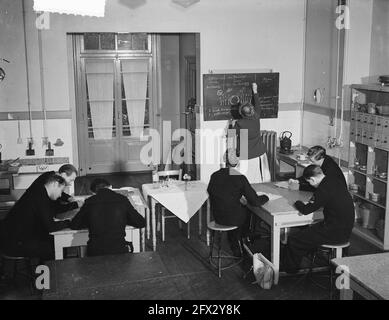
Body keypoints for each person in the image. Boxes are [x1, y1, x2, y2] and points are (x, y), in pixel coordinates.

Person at [282, 165, 355, 273]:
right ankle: (304, 258)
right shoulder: (333, 180)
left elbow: (306, 210)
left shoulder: (323, 189)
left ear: (312, 179)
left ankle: (289, 272)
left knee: (294, 239)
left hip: (334, 232)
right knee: (307, 231)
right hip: (346, 229)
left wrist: (296, 202)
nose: (310, 185)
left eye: (309, 182)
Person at [207, 149, 269, 257]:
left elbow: (212, 191)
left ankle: (235, 242)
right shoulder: (240, 178)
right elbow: (256, 202)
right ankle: (245, 242)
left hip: (218, 217)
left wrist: (233, 198)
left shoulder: (214, 175)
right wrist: (266, 197)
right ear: (238, 162)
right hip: (233, 219)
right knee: (249, 210)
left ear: (223, 160)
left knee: (236, 208)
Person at [1, 174, 71, 261]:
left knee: (52, 242)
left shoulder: (39, 192)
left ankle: (44, 272)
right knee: (54, 247)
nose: (60, 195)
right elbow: (51, 227)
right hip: (14, 243)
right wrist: (69, 222)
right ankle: (48, 273)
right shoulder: (40, 197)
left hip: (13, 238)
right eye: (61, 190)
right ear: (55, 184)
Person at [70, 178, 146, 257]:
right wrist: (124, 219)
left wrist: (89, 222)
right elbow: (141, 222)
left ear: (93, 192)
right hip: (119, 251)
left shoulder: (89, 201)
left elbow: (74, 224)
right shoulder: (122, 199)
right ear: (110, 187)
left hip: (95, 252)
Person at [229, 83, 270, 184]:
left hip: (245, 154)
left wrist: (231, 124)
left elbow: (231, 135)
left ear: (241, 113)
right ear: (252, 111)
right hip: (259, 152)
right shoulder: (256, 117)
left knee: (243, 180)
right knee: (258, 179)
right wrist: (255, 91)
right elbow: (257, 104)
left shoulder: (240, 123)